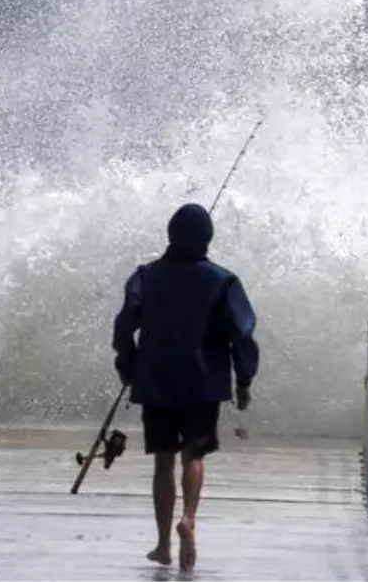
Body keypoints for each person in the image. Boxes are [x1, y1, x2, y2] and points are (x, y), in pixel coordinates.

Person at [111, 203, 260, 572]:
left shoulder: (146, 276)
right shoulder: (222, 280)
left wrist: (126, 364)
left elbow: (124, 325)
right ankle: (189, 520)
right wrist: (244, 378)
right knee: (193, 456)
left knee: (163, 460)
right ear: (206, 238)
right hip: (203, 381)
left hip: (157, 380)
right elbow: (241, 334)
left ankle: (163, 545)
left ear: (170, 234)